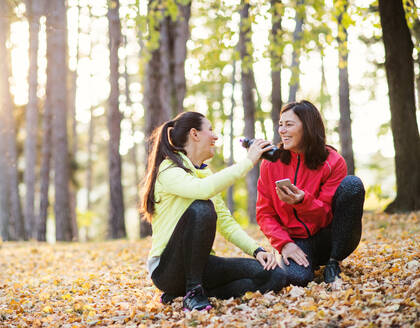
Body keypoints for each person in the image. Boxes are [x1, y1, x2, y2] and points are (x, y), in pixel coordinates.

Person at [140, 111, 287, 312]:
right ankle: (192, 292)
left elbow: (225, 222)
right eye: (210, 129)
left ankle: (185, 293)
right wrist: (248, 161)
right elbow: (203, 190)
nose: (215, 136)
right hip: (167, 269)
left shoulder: (204, 172)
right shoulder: (169, 170)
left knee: (274, 275)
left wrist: (257, 250)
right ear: (195, 134)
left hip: (200, 264)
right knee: (202, 207)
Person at [256, 100, 365, 287]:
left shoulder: (333, 161)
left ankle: (333, 263)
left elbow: (326, 216)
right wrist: (284, 244)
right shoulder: (270, 163)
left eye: (289, 125)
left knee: (352, 184)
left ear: (307, 127)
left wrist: (302, 201)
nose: (281, 130)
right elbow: (264, 213)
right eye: (280, 125)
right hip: (297, 241)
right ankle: (308, 262)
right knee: (298, 279)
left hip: (333, 236)